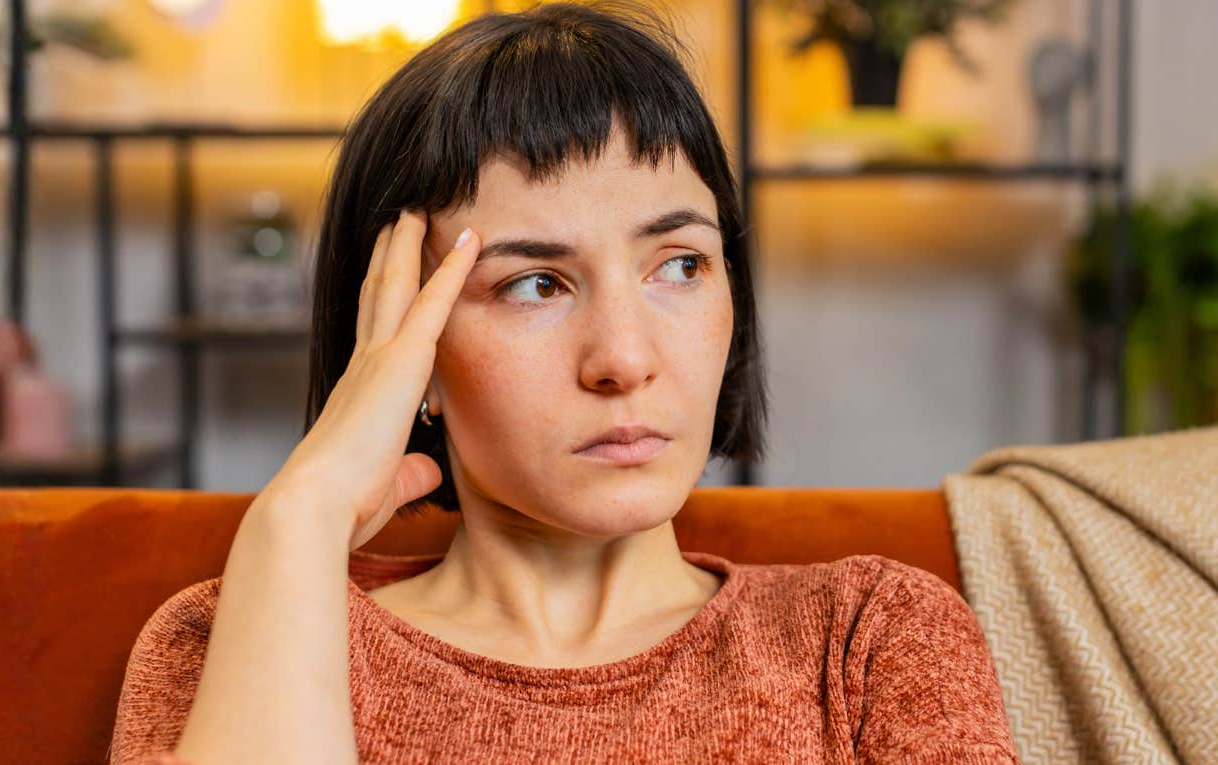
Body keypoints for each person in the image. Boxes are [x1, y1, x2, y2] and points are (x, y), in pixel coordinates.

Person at [108, 3, 1021, 763]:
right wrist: (299, 517)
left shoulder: (868, 639)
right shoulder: (231, 634)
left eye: (679, 265)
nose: (625, 357)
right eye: (535, 283)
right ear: (403, 350)